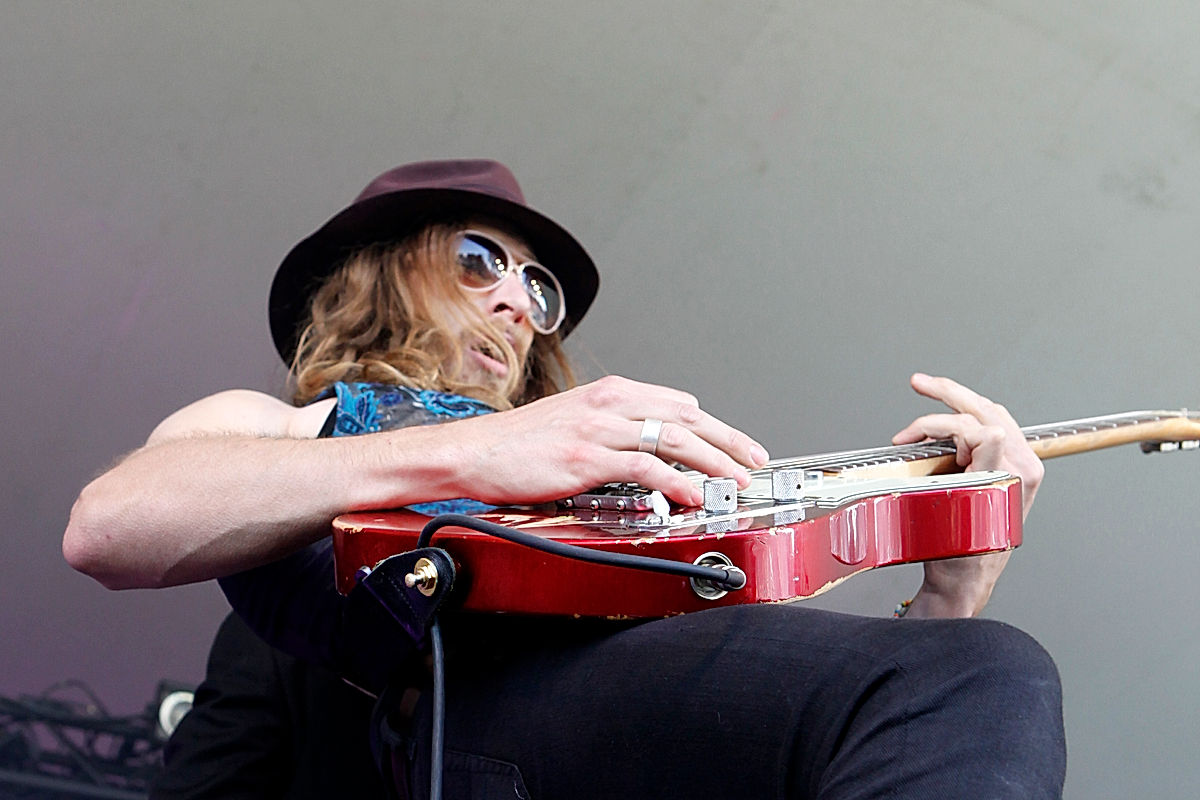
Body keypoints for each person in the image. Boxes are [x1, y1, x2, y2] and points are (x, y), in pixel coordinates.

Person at [64, 159, 1064, 799]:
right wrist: (467, 450)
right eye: (474, 258)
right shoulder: (282, 430)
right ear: (375, 275)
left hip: (625, 734)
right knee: (990, 671)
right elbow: (109, 525)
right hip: (459, 729)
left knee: (976, 666)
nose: (517, 302)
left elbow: (831, 715)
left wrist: (949, 593)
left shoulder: (587, 474)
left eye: (536, 288)